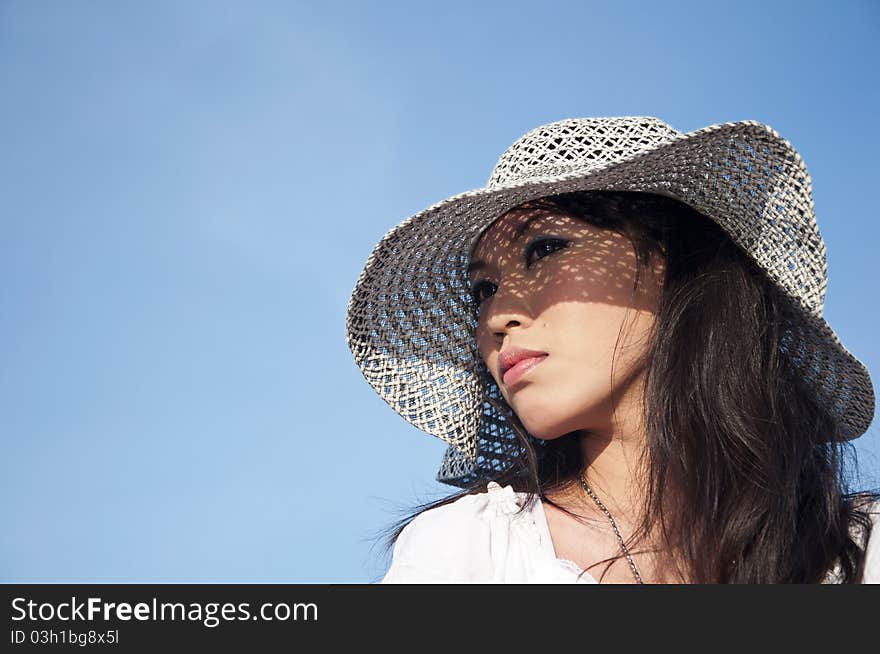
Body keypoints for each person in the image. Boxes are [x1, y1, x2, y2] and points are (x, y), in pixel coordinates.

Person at [345, 116, 880, 583]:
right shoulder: (471, 551)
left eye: (545, 248)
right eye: (484, 289)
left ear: (673, 264)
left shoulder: (859, 552)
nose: (497, 315)